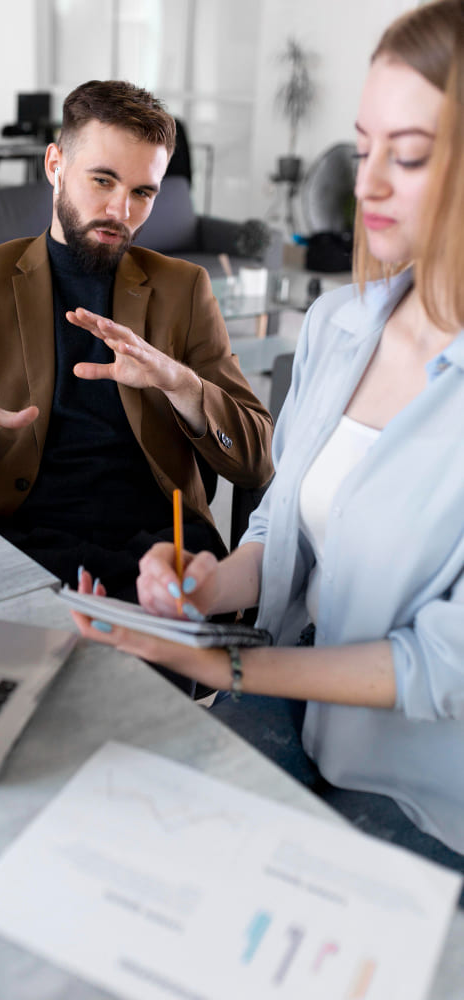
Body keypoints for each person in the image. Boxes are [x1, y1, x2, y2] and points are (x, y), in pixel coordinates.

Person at [72, 1, 464, 887]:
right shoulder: (336, 325)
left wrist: (223, 663)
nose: (364, 186)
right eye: (364, 148)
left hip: (426, 801)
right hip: (296, 717)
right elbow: (277, 526)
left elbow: (440, 667)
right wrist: (209, 584)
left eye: (406, 157)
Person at [0, 80, 273, 643]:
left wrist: (183, 385)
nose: (121, 210)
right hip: (19, 534)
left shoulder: (183, 289)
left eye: (143, 192)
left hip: (157, 547)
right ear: (55, 164)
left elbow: (256, 459)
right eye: (103, 180)